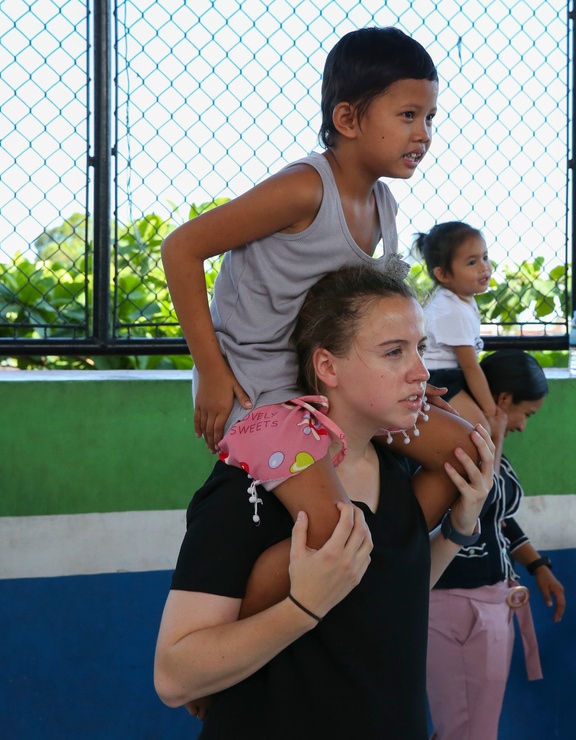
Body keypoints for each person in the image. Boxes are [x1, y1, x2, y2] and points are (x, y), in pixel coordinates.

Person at [161, 27, 476, 615]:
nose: (423, 134)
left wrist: (400, 376)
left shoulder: (383, 206)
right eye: (408, 114)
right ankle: (240, 639)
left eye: (431, 117)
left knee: (471, 452)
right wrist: (209, 370)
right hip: (265, 399)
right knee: (338, 533)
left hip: (331, 392)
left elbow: (367, 319)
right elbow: (181, 248)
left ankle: (392, 570)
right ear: (349, 119)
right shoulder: (305, 188)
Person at [154, 266, 495, 737]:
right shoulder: (248, 490)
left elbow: (386, 591)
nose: (421, 371)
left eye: (419, 348)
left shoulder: (396, 473)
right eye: (394, 352)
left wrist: (458, 528)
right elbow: (173, 678)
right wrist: (300, 608)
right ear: (327, 367)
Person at [426, 349, 566, 740]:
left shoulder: (479, 438)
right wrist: (497, 433)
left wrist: (536, 564)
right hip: (458, 605)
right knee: (468, 732)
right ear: (503, 401)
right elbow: (480, 498)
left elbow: (494, 517)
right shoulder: (460, 439)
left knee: (469, 728)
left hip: (486, 601)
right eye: (528, 414)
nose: (524, 425)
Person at [416, 221, 499, 434]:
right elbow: (470, 366)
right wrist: (491, 411)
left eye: (485, 257)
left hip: (448, 375)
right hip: (437, 378)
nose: (484, 267)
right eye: (472, 262)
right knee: (481, 431)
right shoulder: (451, 310)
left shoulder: (459, 301)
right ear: (443, 275)